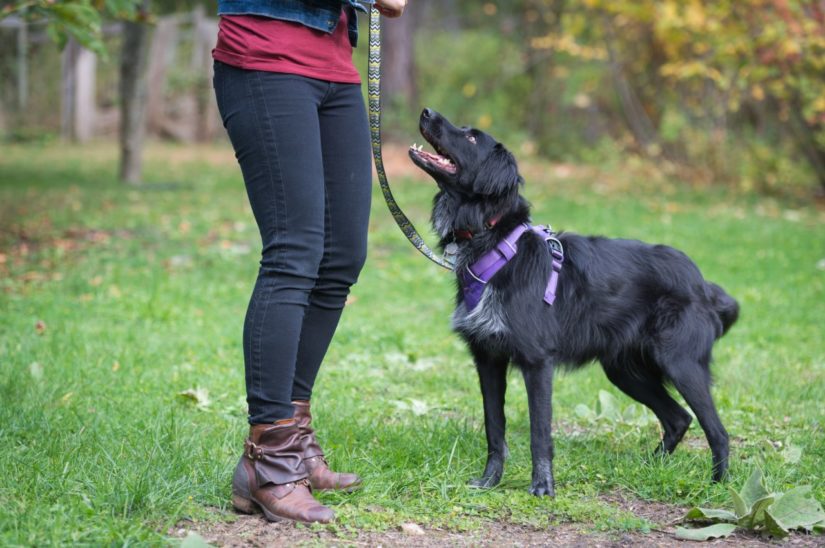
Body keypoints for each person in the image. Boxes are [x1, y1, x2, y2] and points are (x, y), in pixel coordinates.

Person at [212, 0, 407, 524]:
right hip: (266, 53)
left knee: (343, 254)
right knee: (293, 250)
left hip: (334, 64)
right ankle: (269, 460)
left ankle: (293, 441)